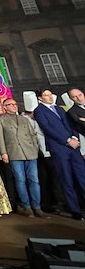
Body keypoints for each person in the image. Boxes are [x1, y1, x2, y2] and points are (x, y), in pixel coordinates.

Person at [33, 88, 85, 221]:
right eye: (46, 95)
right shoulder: (39, 111)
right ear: (40, 98)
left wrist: (74, 137)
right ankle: (75, 210)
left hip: (74, 147)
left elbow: (71, 125)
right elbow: (47, 128)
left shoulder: (59, 109)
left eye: (50, 95)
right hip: (59, 148)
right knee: (66, 178)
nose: (49, 97)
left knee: (82, 176)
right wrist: (67, 140)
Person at [0, 97, 47, 218]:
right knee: (20, 180)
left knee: (34, 179)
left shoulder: (24, 119)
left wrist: (35, 148)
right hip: (14, 152)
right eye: (10, 104)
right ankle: (27, 206)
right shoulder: (1, 120)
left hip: (30, 152)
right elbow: (0, 138)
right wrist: (3, 153)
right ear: (5, 107)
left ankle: (37, 207)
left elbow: (33, 135)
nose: (14, 106)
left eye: (15, 104)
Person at [22, 91, 65, 214]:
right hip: (37, 152)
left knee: (54, 177)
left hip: (49, 150)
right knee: (42, 179)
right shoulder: (26, 120)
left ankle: (57, 201)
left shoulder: (41, 116)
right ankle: (46, 203)